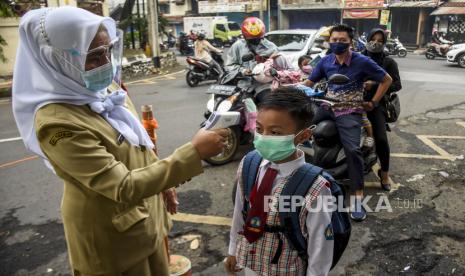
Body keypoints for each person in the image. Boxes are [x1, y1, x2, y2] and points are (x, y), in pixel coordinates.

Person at [12, 7, 229, 275]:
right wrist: (193, 153)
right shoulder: (58, 123)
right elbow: (122, 186)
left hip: (144, 218)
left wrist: (165, 184)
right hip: (110, 237)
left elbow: (137, 142)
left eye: (108, 50)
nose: (106, 63)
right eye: (94, 56)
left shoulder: (103, 89)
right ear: (56, 59)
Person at [225, 88, 334, 276]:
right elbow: (240, 212)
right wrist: (233, 249)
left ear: (303, 136)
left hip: (285, 270)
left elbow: (320, 246)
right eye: (259, 129)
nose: (263, 137)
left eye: (274, 132)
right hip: (250, 263)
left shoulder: (315, 188)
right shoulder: (249, 163)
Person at [303, 24, 392, 222]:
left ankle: (357, 196)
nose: (337, 44)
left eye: (342, 41)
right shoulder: (325, 61)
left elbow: (387, 79)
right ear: (329, 41)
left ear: (351, 42)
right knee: (297, 132)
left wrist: (374, 102)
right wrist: (291, 89)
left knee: (353, 150)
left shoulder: (362, 61)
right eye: (334, 40)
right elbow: (308, 84)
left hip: (349, 111)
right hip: (326, 107)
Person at [362, 28, 402, 191]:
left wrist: (375, 84)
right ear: (367, 39)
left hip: (375, 104)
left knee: (381, 140)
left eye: (380, 41)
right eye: (373, 39)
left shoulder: (388, 62)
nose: (375, 43)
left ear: (384, 43)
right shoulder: (357, 57)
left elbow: (397, 84)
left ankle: (384, 173)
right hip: (351, 102)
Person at [225, 17, 278, 102]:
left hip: (264, 86)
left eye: (258, 39)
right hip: (243, 86)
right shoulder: (237, 46)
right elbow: (229, 65)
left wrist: (273, 70)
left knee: (269, 104)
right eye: (252, 40)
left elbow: (279, 66)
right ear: (245, 36)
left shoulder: (271, 47)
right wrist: (243, 71)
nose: (256, 42)